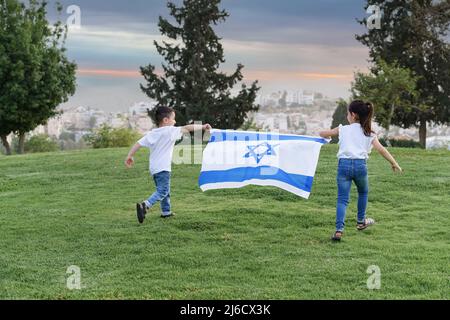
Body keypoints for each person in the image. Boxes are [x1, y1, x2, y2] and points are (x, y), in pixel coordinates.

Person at [319, 100, 402, 241]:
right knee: (363, 192)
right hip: (360, 166)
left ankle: (339, 230)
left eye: (347, 113)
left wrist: (327, 135)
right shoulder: (369, 133)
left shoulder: (343, 129)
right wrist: (394, 163)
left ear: (352, 114)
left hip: (343, 166)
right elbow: (382, 149)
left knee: (342, 199)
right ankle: (361, 221)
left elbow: (322, 133)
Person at [125, 106, 211, 223]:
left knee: (165, 190)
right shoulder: (170, 130)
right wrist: (202, 126)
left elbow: (138, 143)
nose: (175, 122)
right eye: (173, 119)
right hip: (163, 167)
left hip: (154, 168)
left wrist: (130, 156)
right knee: (163, 191)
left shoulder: (153, 133)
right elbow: (187, 128)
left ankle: (166, 212)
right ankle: (145, 205)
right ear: (166, 120)